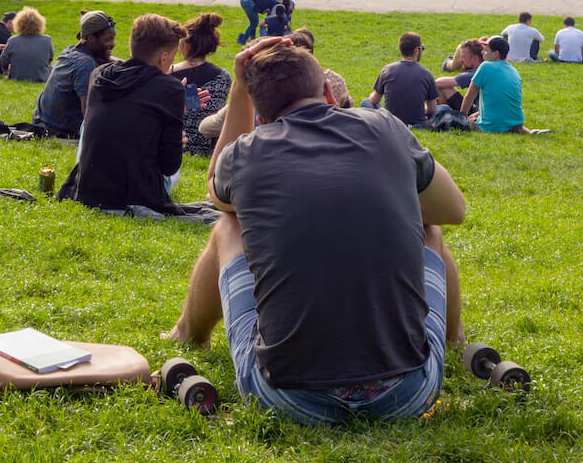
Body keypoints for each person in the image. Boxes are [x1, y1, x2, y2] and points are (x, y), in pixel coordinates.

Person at [165, 37, 467, 423]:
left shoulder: (245, 154)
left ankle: (188, 334)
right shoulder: (385, 127)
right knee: (430, 231)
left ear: (260, 112)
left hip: (287, 399)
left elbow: (222, 199)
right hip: (408, 393)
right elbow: (452, 210)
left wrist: (240, 91)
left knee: (228, 226)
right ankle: (455, 341)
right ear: (328, 91)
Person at [62, 13, 187, 212]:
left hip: (89, 188)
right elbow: (169, 165)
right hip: (136, 193)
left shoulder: (100, 74)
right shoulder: (170, 90)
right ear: (164, 57)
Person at [32, 10, 117, 138]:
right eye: (108, 40)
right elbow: (88, 111)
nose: (112, 44)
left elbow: (111, 60)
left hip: (43, 122)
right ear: (90, 39)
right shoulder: (85, 64)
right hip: (60, 132)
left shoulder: (72, 51)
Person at [171, 12, 232, 156]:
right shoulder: (224, 77)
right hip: (210, 148)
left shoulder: (167, 74)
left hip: (177, 144)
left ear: (185, 44)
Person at [369, 33, 439, 128]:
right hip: (418, 123)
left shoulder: (387, 70)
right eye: (421, 48)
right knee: (444, 108)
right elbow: (432, 110)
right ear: (415, 50)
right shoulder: (426, 74)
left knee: (366, 102)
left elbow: (374, 100)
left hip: (390, 121)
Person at [462, 37, 526, 132]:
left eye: (486, 51)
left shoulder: (485, 66)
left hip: (491, 127)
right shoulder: (514, 71)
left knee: (468, 121)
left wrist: (461, 119)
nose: (483, 53)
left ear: (496, 54)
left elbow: (469, 97)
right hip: (516, 125)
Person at [0, 8, 55, 82]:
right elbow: (50, 59)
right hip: (41, 77)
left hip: (17, 77)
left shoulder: (13, 40)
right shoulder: (47, 40)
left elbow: (3, 61)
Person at [435, 40, 486, 109]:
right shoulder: (484, 69)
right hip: (481, 110)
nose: (461, 60)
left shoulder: (476, 73)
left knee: (443, 86)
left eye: (464, 57)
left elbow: (438, 82)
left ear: (475, 58)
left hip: (478, 113)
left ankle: (438, 114)